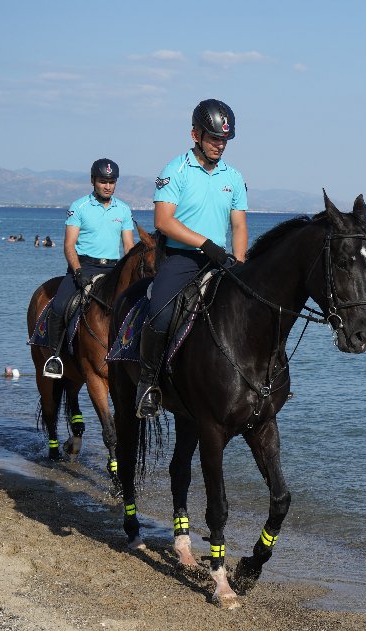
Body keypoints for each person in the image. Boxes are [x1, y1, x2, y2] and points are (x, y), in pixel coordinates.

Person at [135, 99, 249, 418]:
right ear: (195, 134)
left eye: (224, 139)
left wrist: (239, 260)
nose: (219, 145)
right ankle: (147, 385)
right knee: (159, 314)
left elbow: (239, 224)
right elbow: (163, 221)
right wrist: (206, 244)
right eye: (214, 138)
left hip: (221, 261)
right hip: (182, 260)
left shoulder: (234, 177)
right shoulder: (175, 171)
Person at [41, 158, 135, 378]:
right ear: (93, 181)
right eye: (103, 181)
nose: (108, 186)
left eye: (112, 182)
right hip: (83, 267)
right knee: (60, 306)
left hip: (113, 270)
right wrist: (77, 272)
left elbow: (129, 246)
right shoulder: (79, 207)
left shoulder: (123, 209)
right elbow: (69, 245)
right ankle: (54, 357)